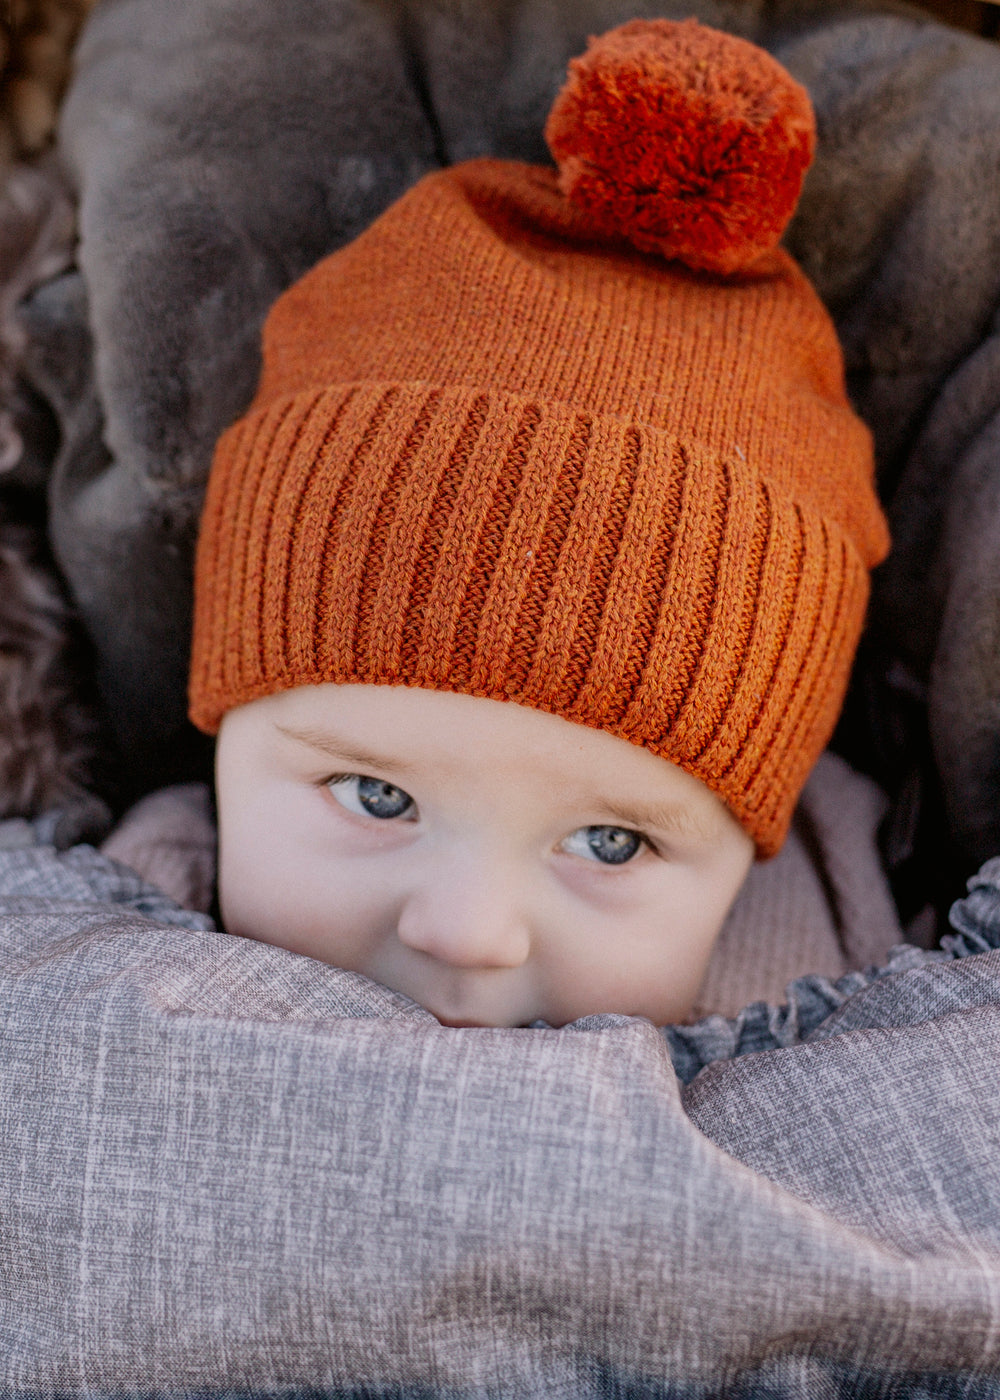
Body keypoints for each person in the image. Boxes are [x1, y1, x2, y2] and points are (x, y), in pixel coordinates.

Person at [186, 18, 889, 1029]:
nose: (469, 933)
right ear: (217, 741)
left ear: (747, 857)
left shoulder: (868, 1016)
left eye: (612, 842)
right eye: (375, 795)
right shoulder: (97, 931)